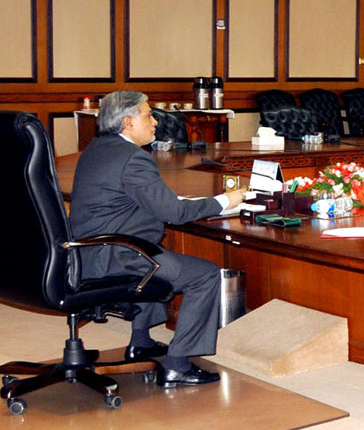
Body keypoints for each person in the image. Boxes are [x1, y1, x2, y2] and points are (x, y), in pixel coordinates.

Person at [69, 90, 246, 389]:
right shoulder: (133, 158)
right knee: (202, 275)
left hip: (87, 253)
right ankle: (178, 364)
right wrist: (224, 202)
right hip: (117, 256)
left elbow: (130, 199)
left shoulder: (97, 149)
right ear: (127, 123)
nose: (155, 123)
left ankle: (141, 343)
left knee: (157, 252)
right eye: (148, 115)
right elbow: (175, 213)